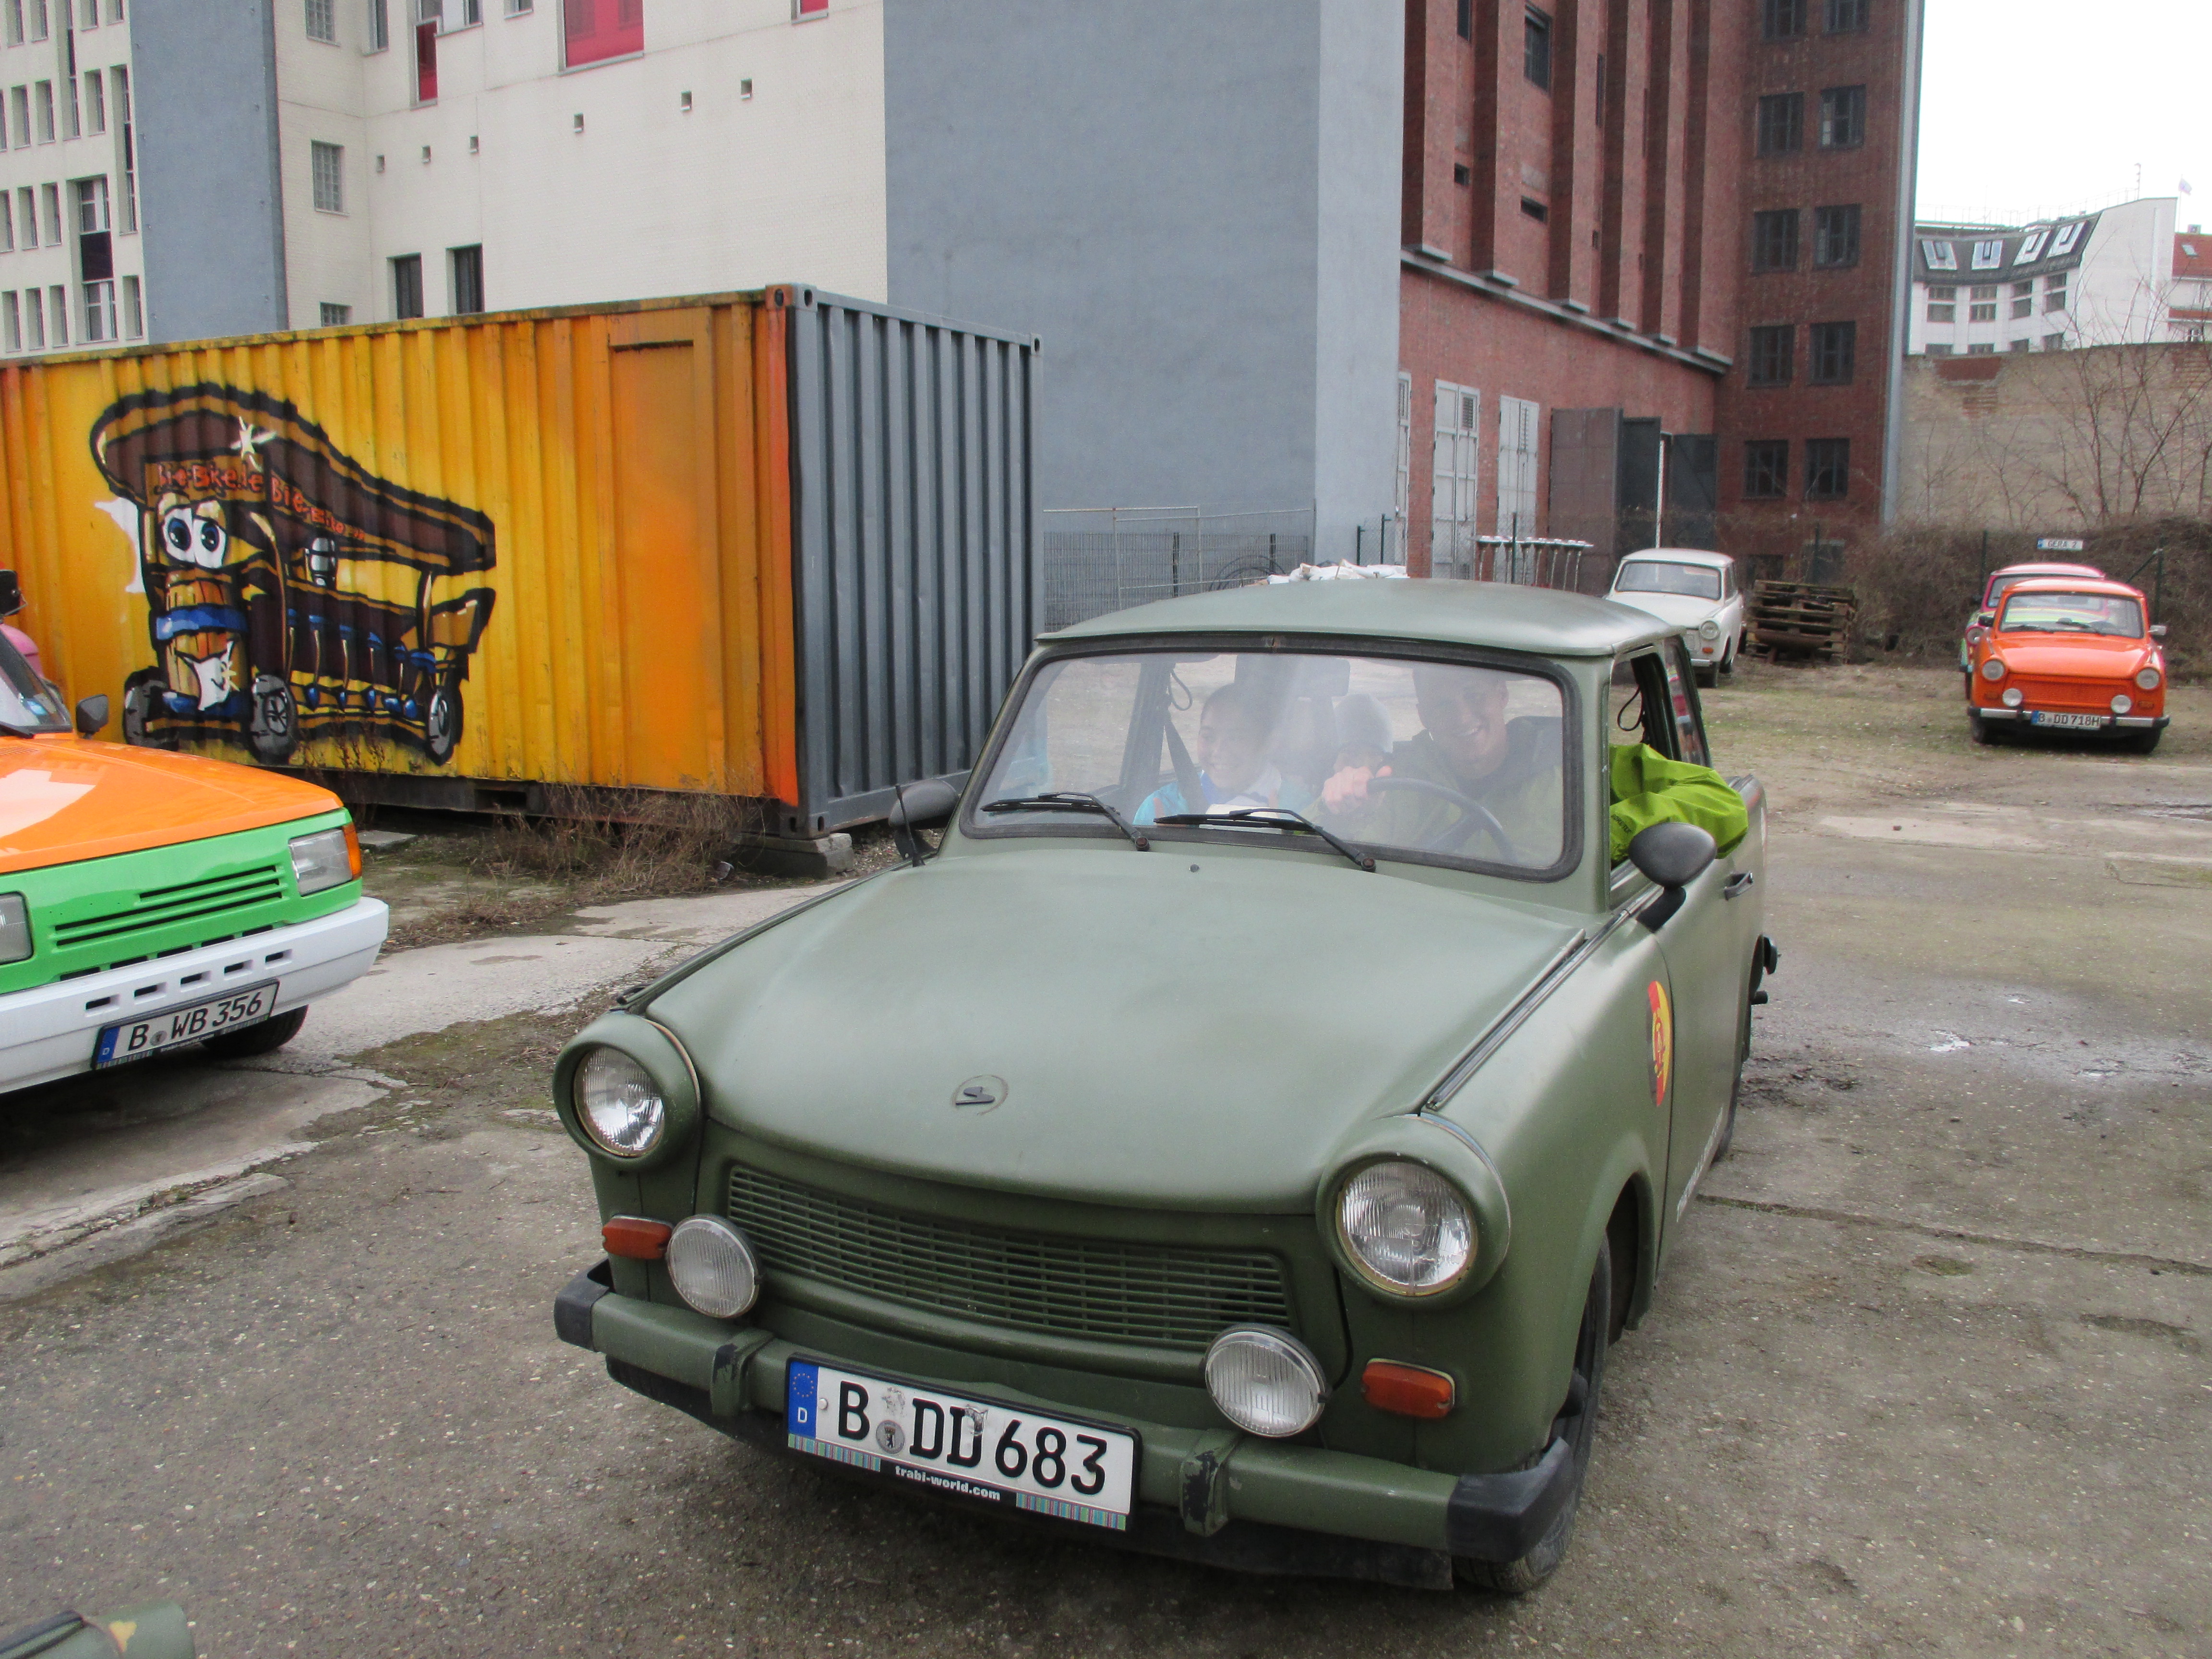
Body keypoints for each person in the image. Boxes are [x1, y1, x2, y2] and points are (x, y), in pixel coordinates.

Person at [1318, 663, 1561, 864]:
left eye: (1473, 695)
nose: (1462, 718)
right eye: (1443, 705)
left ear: (1502, 695)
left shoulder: (1564, 775)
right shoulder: (1395, 781)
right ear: (1424, 716)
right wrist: (1344, 809)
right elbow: (1325, 856)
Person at [1136, 683, 1286, 822]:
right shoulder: (1163, 806)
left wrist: (1285, 837)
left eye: (1235, 738)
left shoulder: (1294, 810)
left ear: (1268, 743)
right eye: (1208, 737)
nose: (1218, 751)